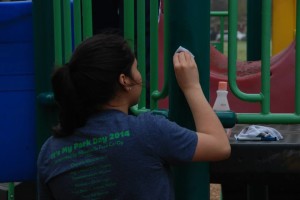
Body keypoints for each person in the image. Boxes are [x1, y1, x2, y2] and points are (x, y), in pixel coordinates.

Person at [37, 33, 230, 200]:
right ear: (124, 81)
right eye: (136, 68)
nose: (140, 76)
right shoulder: (146, 131)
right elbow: (219, 145)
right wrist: (192, 87)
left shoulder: (50, 151)